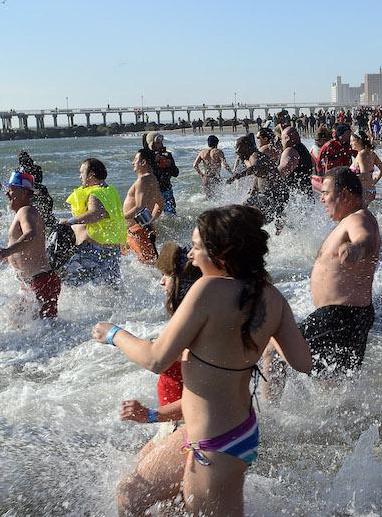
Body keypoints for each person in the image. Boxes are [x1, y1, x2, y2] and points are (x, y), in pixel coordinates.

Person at [91, 205, 312, 516]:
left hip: (213, 443)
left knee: (144, 500)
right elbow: (303, 362)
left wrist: (115, 334)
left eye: (196, 247)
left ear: (223, 254)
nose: (191, 257)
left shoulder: (208, 289)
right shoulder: (272, 297)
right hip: (238, 431)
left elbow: (156, 358)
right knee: (146, 499)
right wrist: (263, 330)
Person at [115, 242, 202, 515]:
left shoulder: (193, 329)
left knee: (129, 496)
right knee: (166, 508)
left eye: (167, 277)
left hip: (192, 426)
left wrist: (113, 335)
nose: (162, 282)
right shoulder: (188, 321)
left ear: (181, 285)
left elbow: (156, 359)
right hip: (176, 425)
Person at [292, 167, 382, 379]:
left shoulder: (358, 219)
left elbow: (364, 238)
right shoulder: (352, 219)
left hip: (338, 316)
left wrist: (357, 248)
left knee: (275, 349)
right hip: (350, 316)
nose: (322, 199)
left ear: (346, 195)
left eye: (326, 193)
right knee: (332, 384)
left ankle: (271, 411)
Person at [0, 171, 60, 320]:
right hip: (32, 282)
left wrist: (7, 251)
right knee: (16, 322)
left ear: (23, 192)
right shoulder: (24, 212)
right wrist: (9, 256)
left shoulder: (26, 211)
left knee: (44, 330)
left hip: (41, 282)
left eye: (11, 190)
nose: (7, 194)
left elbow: (30, 235)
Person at [61, 158, 128, 286]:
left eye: (82, 172)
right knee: (111, 287)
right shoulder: (110, 190)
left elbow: (96, 214)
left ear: (91, 174)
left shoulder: (95, 193)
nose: (80, 176)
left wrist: (69, 222)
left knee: (67, 281)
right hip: (111, 249)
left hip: (94, 250)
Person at [228, 134, 288, 229]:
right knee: (268, 224)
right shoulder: (256, 157)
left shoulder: (254, 155)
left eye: (238, 147)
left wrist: (237, 176)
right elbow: (257, 179)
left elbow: (255, 168)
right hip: (277, 195)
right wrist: (252, 193)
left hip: (275, 196)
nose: (237, 151)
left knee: (244, 214)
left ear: (246, 147)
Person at [123, 149, 165, 265]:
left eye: (135, 160)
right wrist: (151, 220)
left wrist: (119, 218)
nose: (133, 162)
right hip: (142, 228)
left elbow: (139, 206)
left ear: (143, 162)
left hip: (137, 230)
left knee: (146, 265)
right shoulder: (152, 179)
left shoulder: (142, 180)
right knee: (149, 264)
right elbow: (160, 203)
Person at [144, 132, 180, 215]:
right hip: (151, 191)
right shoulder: (146, 157)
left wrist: (169, 165)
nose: (161, 144)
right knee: (150, 215)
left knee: (171, 214)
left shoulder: (167, 155)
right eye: (158, 142)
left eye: (161, 142)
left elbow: (176, 173)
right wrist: (154, 162)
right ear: (152, 143)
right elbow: (143, 174)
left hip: (166, 189)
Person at [350, 131, 382, 205]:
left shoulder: (361, 154)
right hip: (370, 190)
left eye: (352, 141)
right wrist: (373, 182)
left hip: (363, 191)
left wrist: (348, 181)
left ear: (358, 140)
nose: (350, 143)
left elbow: (364, 174)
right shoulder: (371, 153)